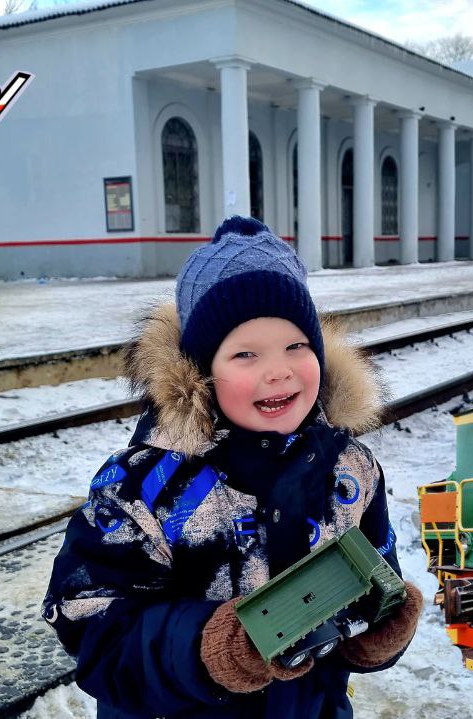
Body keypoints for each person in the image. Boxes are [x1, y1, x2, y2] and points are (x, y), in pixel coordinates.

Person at [42, 216, 422, 718]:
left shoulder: (350, 472)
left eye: (296, 346)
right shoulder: (144, 488)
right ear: (201, 371)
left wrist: (380, 633)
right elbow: (91, 625)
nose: (279, 370)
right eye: (245, 353)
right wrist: (211, 650)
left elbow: (374, 574)